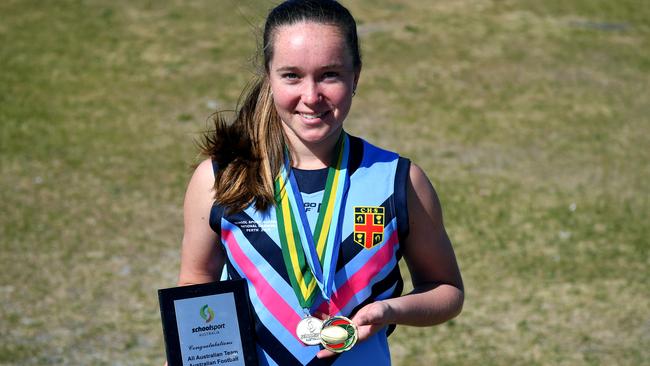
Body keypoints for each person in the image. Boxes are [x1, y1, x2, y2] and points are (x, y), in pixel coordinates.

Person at [178, 0, 464, 364]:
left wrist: (389, 311)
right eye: (292, 75)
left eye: (330, 74)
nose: (311, 97)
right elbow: (194, 285)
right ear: (268, 76)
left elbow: (447, 290)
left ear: (355, 76)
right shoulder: (221, 177)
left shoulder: (398, 180)